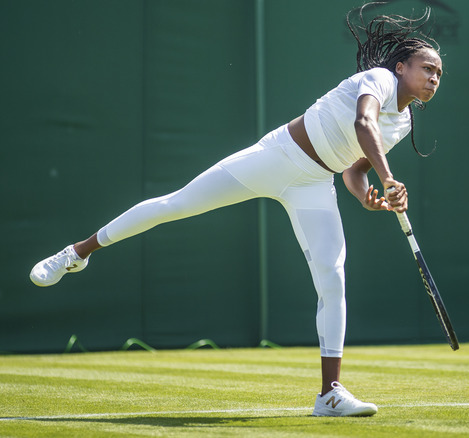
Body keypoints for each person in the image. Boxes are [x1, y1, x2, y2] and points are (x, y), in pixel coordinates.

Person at [28, 4, 442, 417]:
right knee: (176, 205)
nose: (434, 79)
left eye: (439, 74)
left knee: (333, 278)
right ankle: (77, 253)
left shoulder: (403, 124)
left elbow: (354, 170)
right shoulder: (379, 79)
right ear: (402, 67)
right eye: (427, 68)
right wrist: (389, 180)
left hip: (315, 185)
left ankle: (329, 393)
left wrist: (367, 193)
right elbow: (363, 125)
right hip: (277, 155)